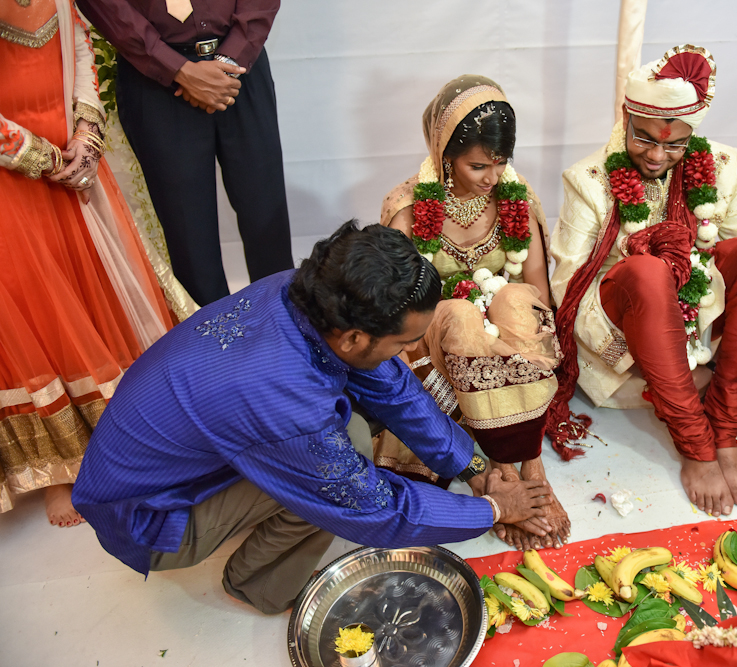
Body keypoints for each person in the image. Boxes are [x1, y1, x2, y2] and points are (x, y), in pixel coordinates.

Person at [71, 223, 554, 615]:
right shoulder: (287, 403)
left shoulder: (307, 291)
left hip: (173, 457)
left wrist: (474, 468)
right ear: (352, 339)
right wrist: (493, 511)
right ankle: (258, 586)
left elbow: (392, 388)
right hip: (146, 518)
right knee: (349, 449)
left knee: (352, 428)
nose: (410, 351)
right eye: (406, 342)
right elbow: (375, 509)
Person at [548, 46, 737, 517]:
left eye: (674, 145)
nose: (657, 155)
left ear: (691, 136)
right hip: (627, 317)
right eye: (643, 139)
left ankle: (725, 432)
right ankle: (696, 446)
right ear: (626, 119)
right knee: (647, 270)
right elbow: (567, 286)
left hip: (701, 317)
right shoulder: (589, 180)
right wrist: (648, 360)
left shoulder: (723, 163)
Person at [1, 0, 175, 527]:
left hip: (73, 164)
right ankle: (58, 470)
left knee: (98, 291)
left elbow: (79, 52)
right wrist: (38, 155)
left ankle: (128, 436)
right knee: (33, 308)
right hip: (12, 175)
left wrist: (87, 135)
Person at [380, 75, 568, 551]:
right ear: (445, 155)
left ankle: (531, 464)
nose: (492, 177)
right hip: (434, 339)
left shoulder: (515, 197)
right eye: (478, 165)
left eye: (501, 162)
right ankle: (504, 471)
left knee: (517, 300)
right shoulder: (408, 208)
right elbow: (396, 310)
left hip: (506, 335)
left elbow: (538, 289)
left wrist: (503, 322)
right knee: (462, 316)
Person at [76, 0, 294, 306]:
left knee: (266, 217)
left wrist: (228, 62)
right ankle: (213, 332)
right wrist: (178, 69)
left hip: (241, 70)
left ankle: (283, 321)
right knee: (190, 239)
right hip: (155, 81)